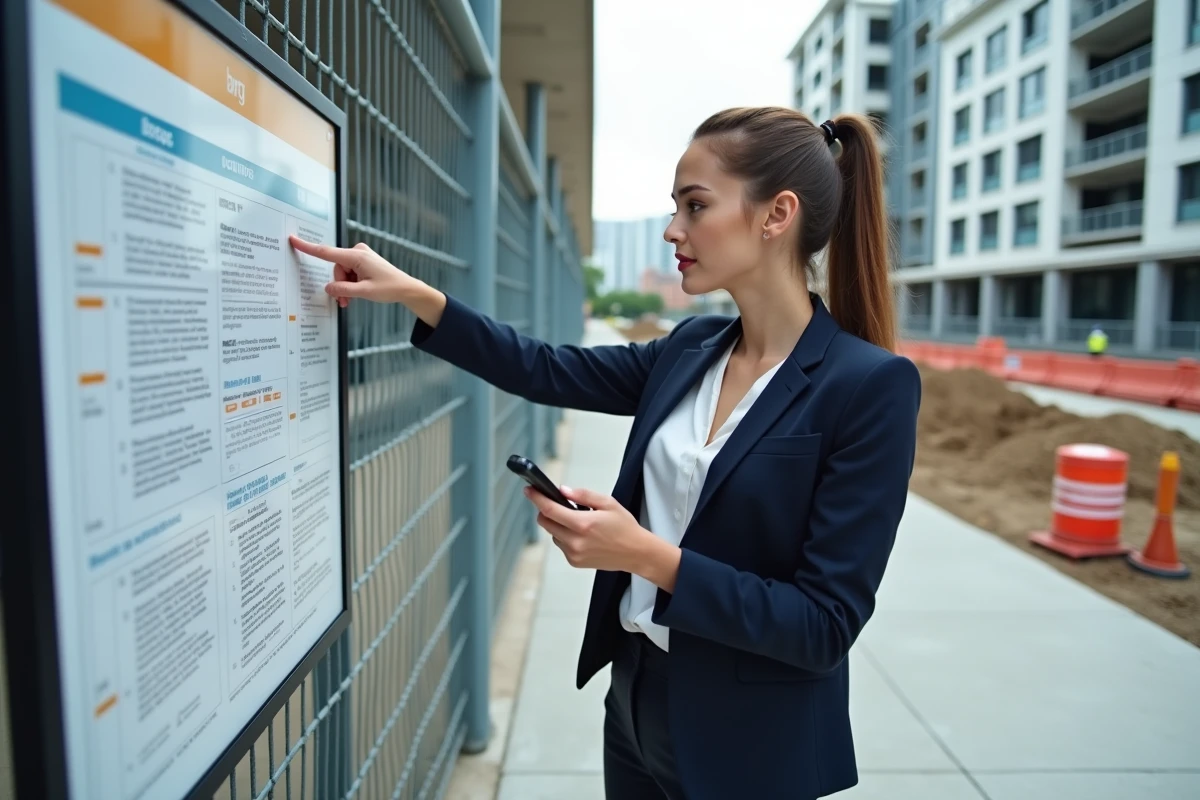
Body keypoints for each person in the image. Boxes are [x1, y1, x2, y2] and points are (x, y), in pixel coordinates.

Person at [290, 107, 921, 800]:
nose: (672, 229)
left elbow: (823, 624)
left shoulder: (868, 387)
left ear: (777, 215)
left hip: (753, 746)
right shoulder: (689, 350)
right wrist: (417, 295)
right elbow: (546, 369)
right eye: (675, 206)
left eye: (695, 205)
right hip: (636, 704)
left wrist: (644, 554)